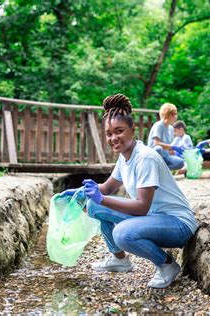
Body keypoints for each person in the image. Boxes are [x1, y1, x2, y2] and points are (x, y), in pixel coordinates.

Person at [60, 94, 198, 289]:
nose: (113, 138)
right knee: (93, 206)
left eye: (119, 131)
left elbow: (141, 207)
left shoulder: (145, 158)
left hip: (177, 224)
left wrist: (102, 198)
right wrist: (80, 191)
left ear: (133, 130)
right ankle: (120, 260)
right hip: (153, 218)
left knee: (123, 233)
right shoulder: (125, 157)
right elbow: (107, 187)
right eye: (109, 133)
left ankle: (167, 265)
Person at [147, 103, 184, 170]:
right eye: (174, 114)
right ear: (168, 115)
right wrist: (172, 147)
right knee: (158, 148)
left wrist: (175, 151)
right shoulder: (159, 125)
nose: (176, 116)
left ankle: (162, 172)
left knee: (180, 162)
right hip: (154, 155)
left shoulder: (171, 128)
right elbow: (156, 143)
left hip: (165, 156)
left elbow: (169, 147)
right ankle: (154, 170)